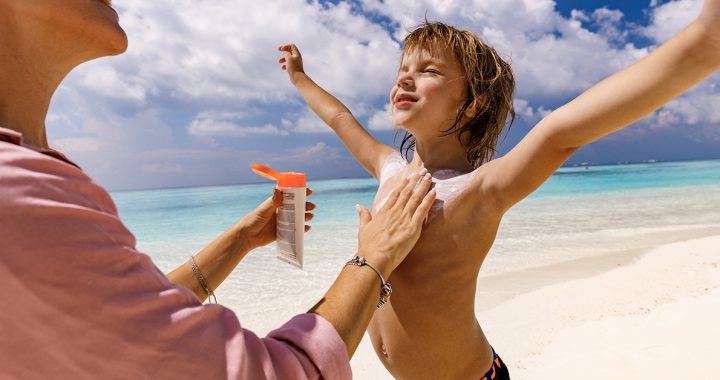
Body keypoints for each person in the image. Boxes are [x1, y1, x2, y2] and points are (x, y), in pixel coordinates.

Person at [278, 0, 720, 378]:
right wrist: (299, 78)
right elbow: (340, 119)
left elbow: (561, 133)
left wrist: (705, 41)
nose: (405, 79)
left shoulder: (481, 189)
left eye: (428, 70)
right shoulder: (388, 168)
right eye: (403, 69)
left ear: (473, 104)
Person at [0, 1, 438, 379]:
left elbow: (113, 321)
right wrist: (372, 260)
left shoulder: (27, 184)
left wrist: (242, 238)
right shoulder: (18, 195)